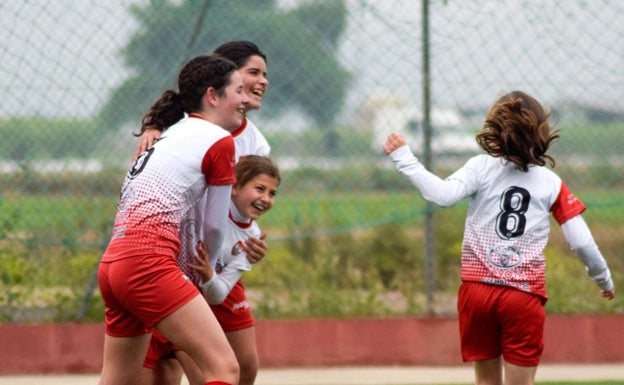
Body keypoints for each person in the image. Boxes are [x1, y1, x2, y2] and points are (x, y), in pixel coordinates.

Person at [383, 90, 615, 385]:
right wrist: (602, 278)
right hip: (522, 295)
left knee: (486, 383)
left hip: (476, 292)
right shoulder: (551, 183)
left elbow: (441, 195)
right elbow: (581, 242)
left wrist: (405, 158)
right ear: (541, 132)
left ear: (496, 127)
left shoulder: (480, 167)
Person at [97, 54, 249, 385]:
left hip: (114, 264)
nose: (245, 99)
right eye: (239, 90)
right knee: (225, 368)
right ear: (213, 95)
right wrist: (205, 272)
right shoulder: (218, 141)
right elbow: (213, 226)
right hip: (147, 263)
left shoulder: (168, 135)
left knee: (118, 379)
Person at [136, 41, 271, 385]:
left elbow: (241, 206)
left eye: (265, 75)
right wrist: (154, 127)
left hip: (218, 262)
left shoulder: (256, 144)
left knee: (245, 366)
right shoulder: (184, 129)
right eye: (253, 73)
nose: (262, 82)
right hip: (178, 258)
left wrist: (249, 235)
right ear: (223, 85)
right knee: (187, 368)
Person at [146, 154, 280, 385]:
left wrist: (209, 276)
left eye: (272, 193)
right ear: (235, 187)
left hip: (204, 295)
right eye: (260, 189)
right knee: (166, 374)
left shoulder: (253, 238)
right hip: (170, 290)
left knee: (244, 368)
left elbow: (218, 293)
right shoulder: (205, 201)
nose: (266, 198)